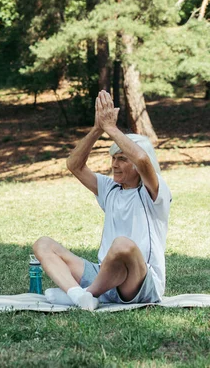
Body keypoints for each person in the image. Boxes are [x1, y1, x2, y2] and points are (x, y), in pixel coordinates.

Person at [33, 90, 171, 310]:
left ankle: (83, 295)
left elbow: (143, 159)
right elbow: (74, 165)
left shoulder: (155, 192)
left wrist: (111, 128)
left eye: (122, 159)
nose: (114, 165)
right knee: (43, 244)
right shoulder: (110, 188)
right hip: (104, 276)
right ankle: (80, 296)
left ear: (135, 166)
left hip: (141, 282)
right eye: (113, 159)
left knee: (122, 244)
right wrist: (97, 128)